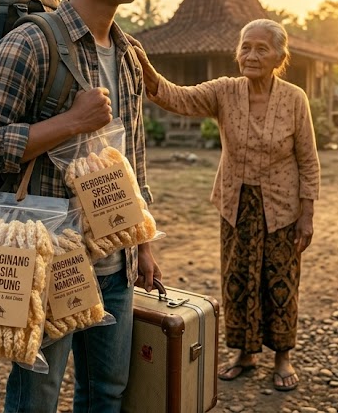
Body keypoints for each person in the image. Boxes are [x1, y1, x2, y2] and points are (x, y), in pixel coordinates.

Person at [0, 0, 162, 413]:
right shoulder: (33, 43)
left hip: (114, 262)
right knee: (36, 399)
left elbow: (131, 158)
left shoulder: (130, 54)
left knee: (107, 393)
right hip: (47, 259)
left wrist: (144, 244)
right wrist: (70, 122)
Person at [128, 19, 319, 391]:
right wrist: (146, 67)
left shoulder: (295, 98)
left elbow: (308, 160)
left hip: (282, 205)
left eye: (261, 48)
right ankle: (244, 354)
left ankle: (282, 357)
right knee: (237, 279)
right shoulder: (225, 91)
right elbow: (174, 96)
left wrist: (307, 215)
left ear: (280, 56)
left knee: (281, 282)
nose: (251, 54)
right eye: (245, 47)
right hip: (236, 202)